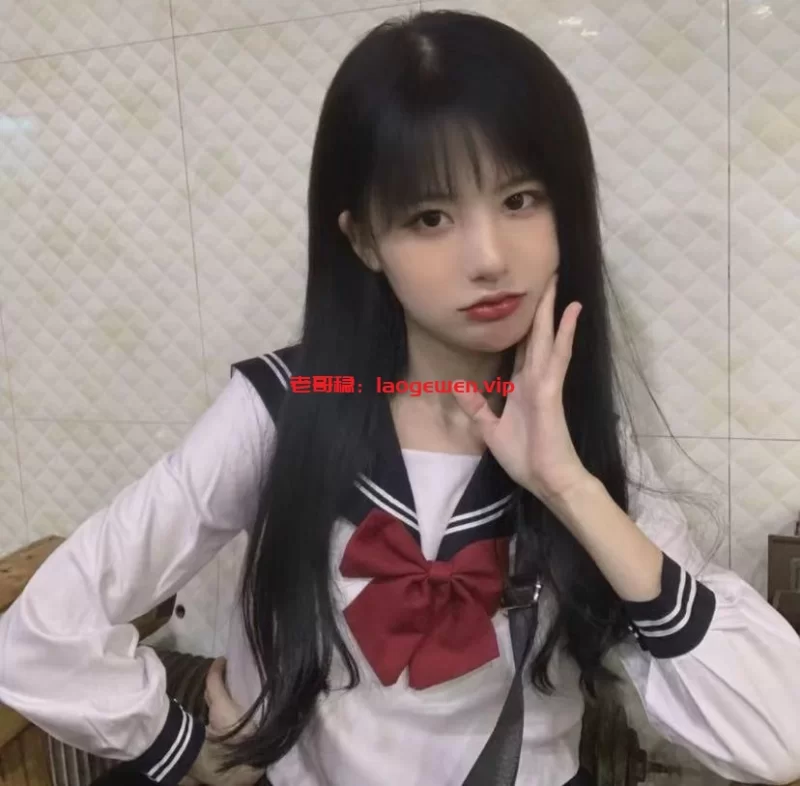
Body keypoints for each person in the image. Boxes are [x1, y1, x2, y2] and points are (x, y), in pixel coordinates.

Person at [1, 9, 799, 786]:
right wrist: (179, 747)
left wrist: (569, 487)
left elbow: (778, 739)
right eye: (430, 217)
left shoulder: (577, 440)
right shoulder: (285, 409)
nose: (489, 257)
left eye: (520, 199)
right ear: (363, 240)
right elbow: (41, 634)